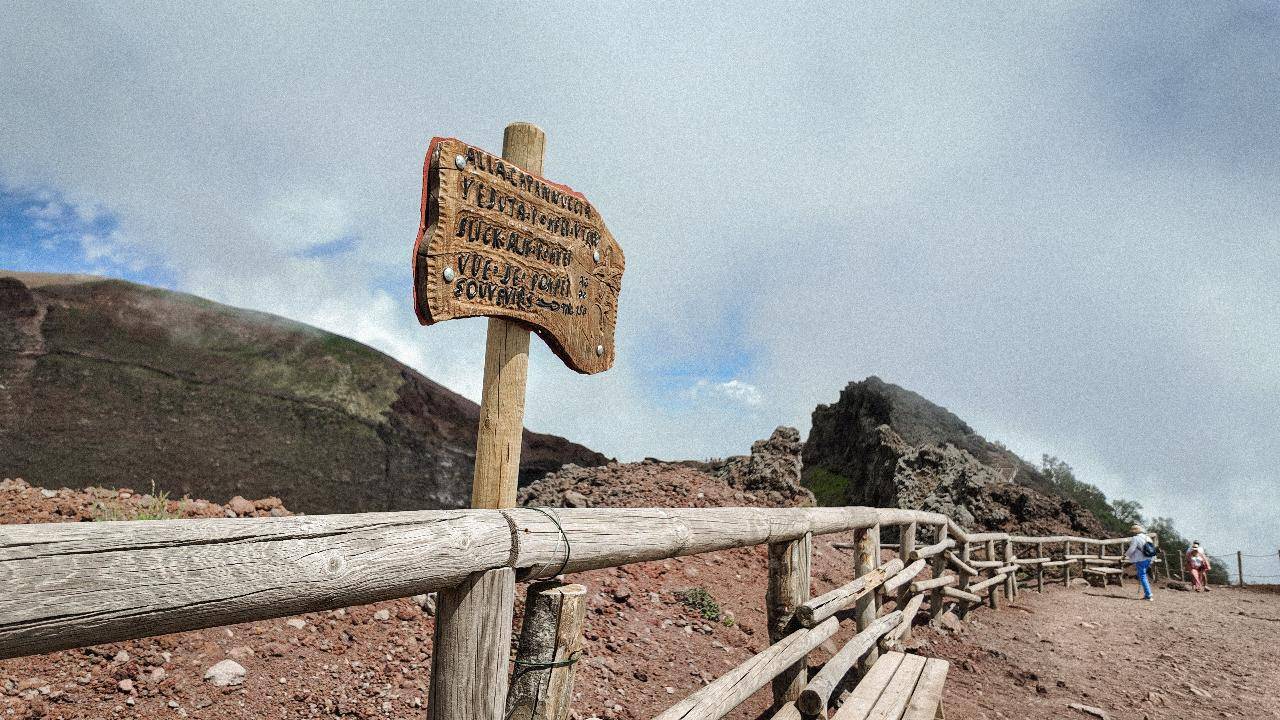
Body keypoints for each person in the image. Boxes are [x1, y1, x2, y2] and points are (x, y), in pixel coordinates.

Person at [1125, 523, 1156, 601]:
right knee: (1144, 575)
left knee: (1142, 576)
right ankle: (1147, 594)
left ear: (1135, 532)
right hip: (1149, 558)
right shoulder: (1148, 538)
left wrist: (1125, 555)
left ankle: (1149, 594)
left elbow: (1132, 549)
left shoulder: (1135, 538)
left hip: (1140, 559)